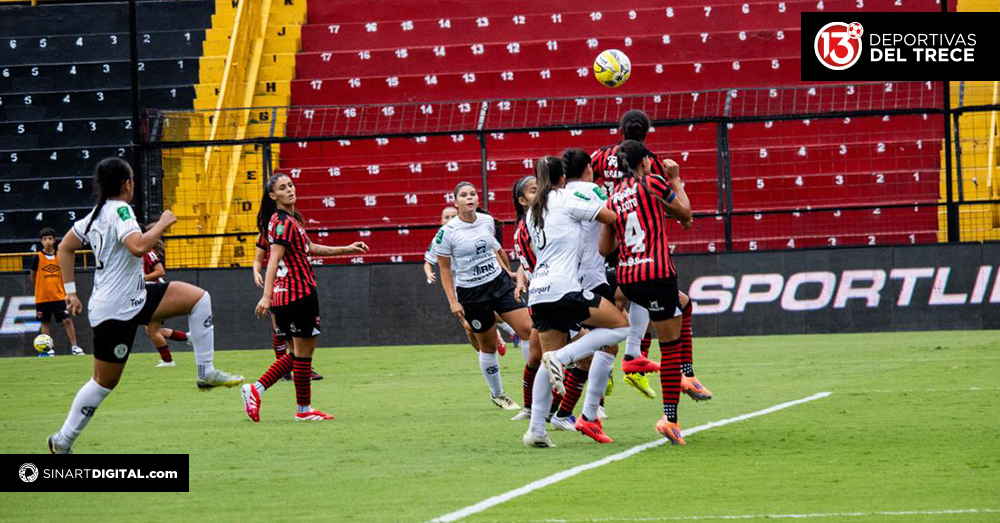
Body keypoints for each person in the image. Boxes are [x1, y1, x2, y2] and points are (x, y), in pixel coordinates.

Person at [48, 158, 244, 454]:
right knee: (103, 383)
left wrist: (71, 293)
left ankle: (206, 372)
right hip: (115, 311)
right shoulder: (121, 210)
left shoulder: (95, 214)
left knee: (198, 298)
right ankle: (62, 441)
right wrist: (162, 224)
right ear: (127, 184)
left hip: (134, 297)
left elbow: (65, 247)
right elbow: (138, 247)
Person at [591, 110, 712, 402]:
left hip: (607, 235)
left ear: (620, 129)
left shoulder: (599, 157)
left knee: (620, 304)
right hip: (641, 249)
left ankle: (612, 373)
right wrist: (683, 215)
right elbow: (661, 202)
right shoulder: (653, 163)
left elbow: (586, 182)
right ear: (646, 134)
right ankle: (642, 360)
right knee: (660, 301)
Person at [242, 174, 369, 422]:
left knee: (296, 356)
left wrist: (346, 249)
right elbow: (273, 259)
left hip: (285, 296)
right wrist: (265, 296)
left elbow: (309, 248)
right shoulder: (283, 222)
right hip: (298, 294)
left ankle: (301, 408)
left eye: (290, 185)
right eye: (282, 188)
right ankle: (261, 391)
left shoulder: (286, 221)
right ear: (273, 196)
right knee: (303, 354)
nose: (289, 189)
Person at [523, 156, 630, 448]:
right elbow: (609, 217)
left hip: (539, 291)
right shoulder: (565, 198)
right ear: (562, 178)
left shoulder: (533, 210)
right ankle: (563, 359)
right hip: (564, 287)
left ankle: (536, 431)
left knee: (547, 363)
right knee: (621, 326)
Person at [600, 140, 692, 445]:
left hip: (627, 278)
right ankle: (670, 419)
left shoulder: (613, 197)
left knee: (679, 305)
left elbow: (604, 248)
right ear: (644, 162)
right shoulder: (652, 182)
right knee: (671, 347)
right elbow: (684, 212)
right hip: (656, 273)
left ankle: (630, 355)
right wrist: (675, 179)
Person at [435, 182, 531, 411]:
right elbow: (445, 270)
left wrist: (508, 272)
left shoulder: (487, 221)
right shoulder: (447, 233)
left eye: (473, 194)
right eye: (464, 195)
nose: (469, 198)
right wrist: (453, 301)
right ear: (456, 202)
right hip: (472, 293)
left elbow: (494, 251)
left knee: (528, 330)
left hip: (499, 283)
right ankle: (498, 394)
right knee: (487, 346)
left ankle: (536, 387)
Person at [424, 205, 510, 357]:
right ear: (440, 220)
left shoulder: (474, 232)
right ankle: (487, 352)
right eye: (446, 217)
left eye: (453, 216)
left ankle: (504, 335)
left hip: (480, 281)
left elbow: (496, 251)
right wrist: (429, 273)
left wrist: (507, 272)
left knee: (486, 314)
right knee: (468, 326)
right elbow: (428, 261)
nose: (450, 219)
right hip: (459, 287)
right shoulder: (439, 238)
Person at [254, 221, 324, 381]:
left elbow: (310, 248)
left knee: (297, 335)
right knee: (280, 331)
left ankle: (301, 369)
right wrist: (256, 272)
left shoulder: (290, 227)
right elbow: (258, 259)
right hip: (277, 285)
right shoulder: (265, 233)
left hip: (294, 285)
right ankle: (284, 370)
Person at [140, 232, 192, 367]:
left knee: (153, 331)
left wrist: (141, 279)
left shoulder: (148, 252)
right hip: (149, 293)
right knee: (151, 331)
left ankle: (168, 361)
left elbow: (160, 271)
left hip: (155, 294)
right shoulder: (140, 251)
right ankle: (188, 337)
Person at [31, 228, 83, 356]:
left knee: (67, 320)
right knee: (45, 322)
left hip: (59, 296)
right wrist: (41, 287)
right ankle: (47, 349)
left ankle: (74, 347)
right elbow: (33, 275)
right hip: (43, 298)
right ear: (41, 241)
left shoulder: (60, 256)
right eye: (45, 239)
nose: (47, 241)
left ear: (54, 240)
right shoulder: (37, 257)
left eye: (50, 239)